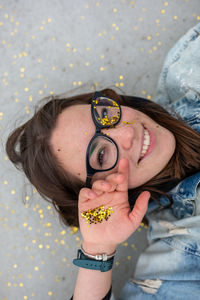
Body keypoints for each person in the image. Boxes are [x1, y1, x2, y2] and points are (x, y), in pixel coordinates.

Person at [5, 23, 200, 300]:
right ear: (99, 193)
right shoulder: (177, 255)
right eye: (101, 154)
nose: (128, 132)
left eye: (106, 115)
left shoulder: (188, 68)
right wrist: (98, 249)